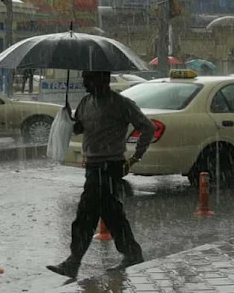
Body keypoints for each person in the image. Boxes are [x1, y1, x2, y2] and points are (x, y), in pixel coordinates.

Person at [46, 70, 156, 281]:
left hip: (109, 166)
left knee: (85, 214)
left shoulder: (121, 103)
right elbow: (79, 128)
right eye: (84, 79)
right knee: (112, 213)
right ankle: (132, 253)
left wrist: (135, 157)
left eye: (89, 79)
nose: (85, 83)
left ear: (103, 80)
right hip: (92, 166)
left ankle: (73, 262)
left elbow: (147, 127)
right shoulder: (87, 101)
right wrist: (69, 119)